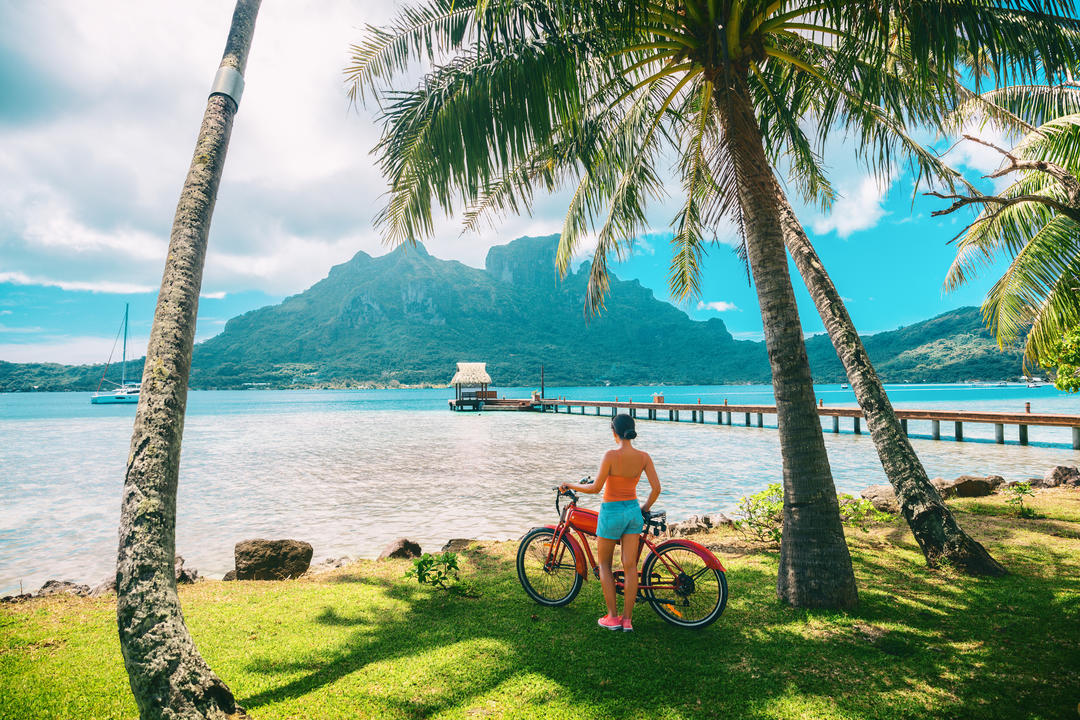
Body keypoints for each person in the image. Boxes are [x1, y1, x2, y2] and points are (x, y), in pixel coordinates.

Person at [560, 413, 661, 632]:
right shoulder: (643, 457)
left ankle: (612, 618)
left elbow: (596, 488)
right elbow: (656, 489)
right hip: (632, 511)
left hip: (611, 512)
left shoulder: (610, 455)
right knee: (630, 566)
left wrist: (571, 484)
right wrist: (643, 508)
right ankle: (627, 621)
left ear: (614, 432)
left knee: (604, 564)